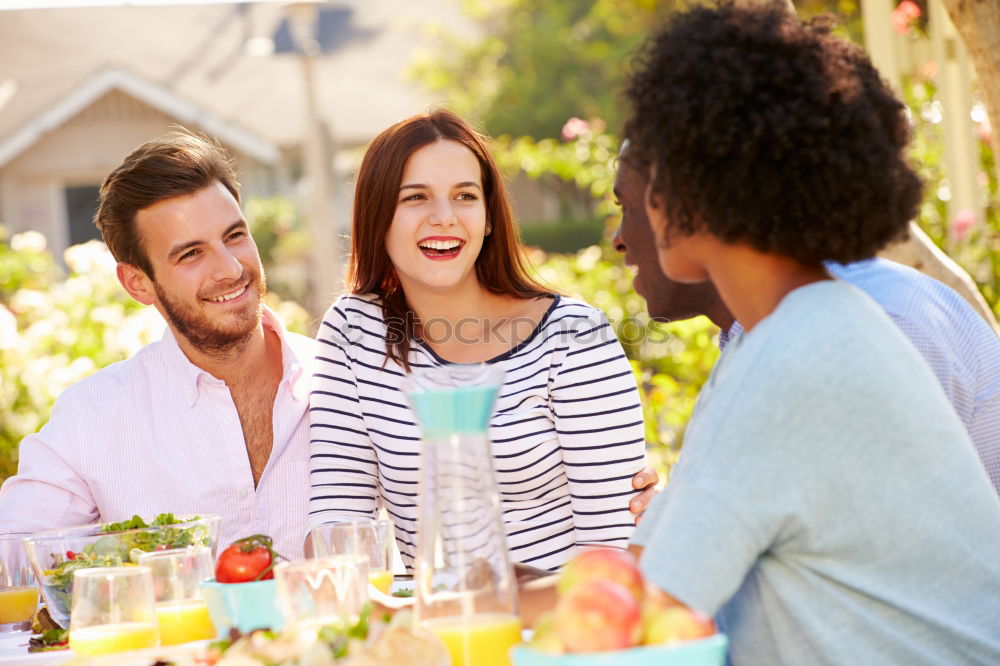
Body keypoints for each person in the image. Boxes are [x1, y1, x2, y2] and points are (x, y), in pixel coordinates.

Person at [524, 4, 1000, 663]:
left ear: (700, 182)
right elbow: (640, 571)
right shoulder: (791, 332)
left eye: (652, 172)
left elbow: (638, 614)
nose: (641, 202)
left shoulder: (797, 360)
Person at [308, 110, 647, 572]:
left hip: (559, 631)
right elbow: (337, 525)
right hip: (429, 632)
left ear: (488, 217)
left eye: (465, 196)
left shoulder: (574, 337)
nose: (443, 218)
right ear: (378, 217)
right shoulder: (353, 330)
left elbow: (612, 557)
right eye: (415, 198)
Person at [611, 144, 1000, 495]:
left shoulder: (869, 327)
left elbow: (894, 553)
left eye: (629, 208)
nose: (618, 238)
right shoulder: (765, 330)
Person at [0, 131, 314, 558]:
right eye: (191, 254)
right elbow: (14, 555)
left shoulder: (345, 381)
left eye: (235, 236)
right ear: (137, 283)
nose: (230, 268)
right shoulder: (91, 419)